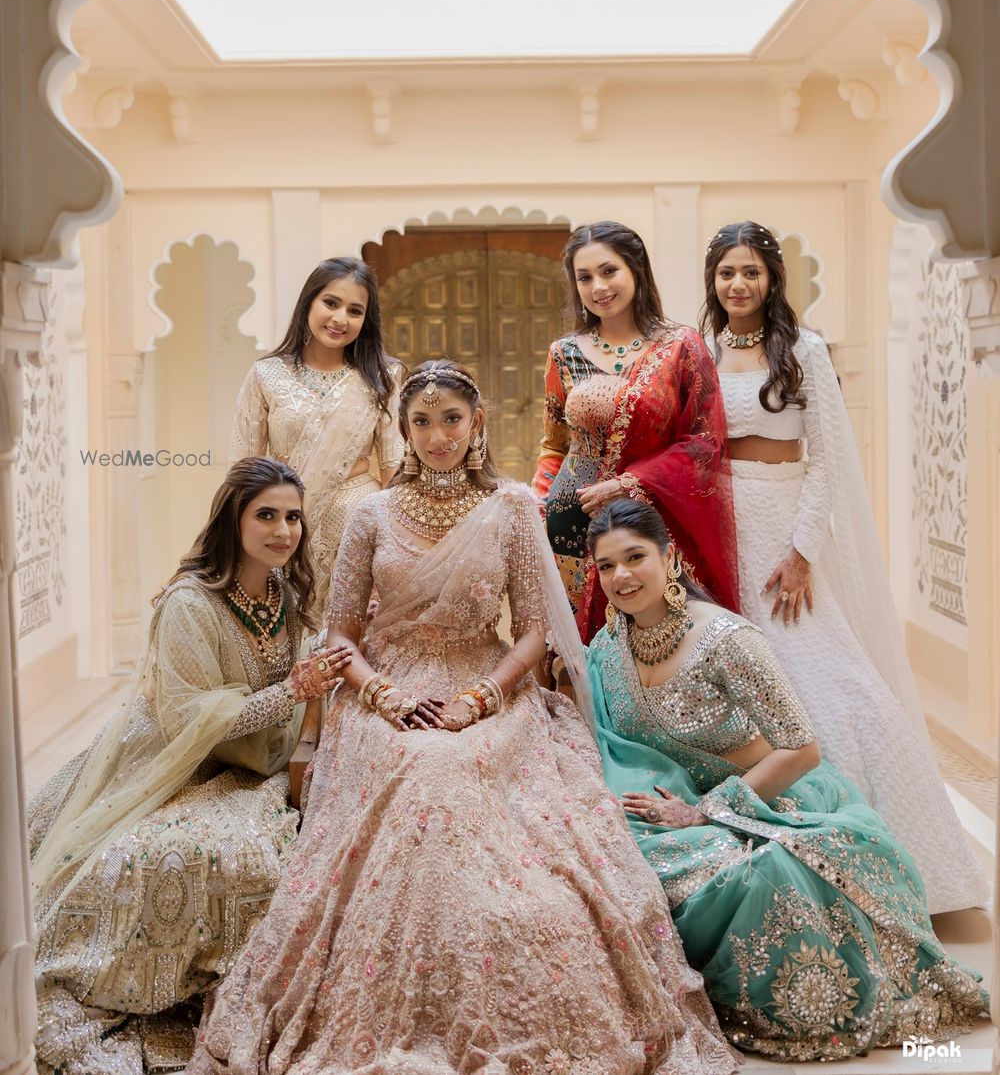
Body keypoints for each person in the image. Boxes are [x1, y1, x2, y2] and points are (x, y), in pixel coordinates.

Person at [191, 361, 738, 1075]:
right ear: (404, 430)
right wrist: (382, 696)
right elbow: (342, 633)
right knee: (418, 765)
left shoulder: (513, 507)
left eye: (451, 418)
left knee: (461, 765)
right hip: (387, 691)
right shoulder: (372, 515)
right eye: (421, 421)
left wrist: (481, 697)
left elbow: (538, 630)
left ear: (476, 422)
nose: (438, 435)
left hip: (490, 687)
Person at [585, 498, 987, 1062]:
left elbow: (802, 749)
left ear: (669, 558)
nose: (622, 576)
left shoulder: (727, 639)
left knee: (759, 877)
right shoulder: (608, 648)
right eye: (606, 565)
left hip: (767, 797)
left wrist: (707, 811)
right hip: (672, 801)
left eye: (634, 557)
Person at [698, 219, 986, 913]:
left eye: (751, 272)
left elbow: (826, 458)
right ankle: (767, 854)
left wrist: (802, 552)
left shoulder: (802, 349)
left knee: (837, 684)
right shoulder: (700, 352)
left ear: (772, 279)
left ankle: (885, 858)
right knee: (745, 682)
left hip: (785, 532)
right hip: (725, 528)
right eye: (726, 273)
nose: (738, 284)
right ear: (713, 281)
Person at [29, 457, 348, 1075]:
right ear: (234, 517)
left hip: (250, 761)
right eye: (266, 515)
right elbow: (191, 722)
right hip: (171, 764)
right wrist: (294, 691)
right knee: (180, 855)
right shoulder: (190, 603)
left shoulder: (285, 592)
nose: (283, 530)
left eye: (293, 517)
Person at [533, 220, 738, 643]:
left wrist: (629, 483)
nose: (598, 287)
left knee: (663, 642)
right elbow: (554, 445)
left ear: (636, 270)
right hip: (572, 523)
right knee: (580, 655)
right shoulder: (564, 354)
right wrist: (537, 503)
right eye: (584, 278)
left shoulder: (681, 346)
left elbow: (705, 443)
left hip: (652, 522)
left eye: (609, 271)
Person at [230, 256, 404, 613]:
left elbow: (395, 474)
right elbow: (243, 473)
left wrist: (396, 552)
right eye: (331, 303)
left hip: (357, 524)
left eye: (355, 311)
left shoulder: (384, 377)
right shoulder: (266, 375)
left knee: (349, 641)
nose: (341, 319)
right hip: (284, 527)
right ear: (308, 302)